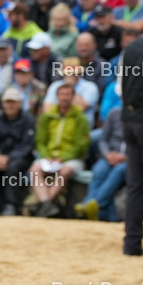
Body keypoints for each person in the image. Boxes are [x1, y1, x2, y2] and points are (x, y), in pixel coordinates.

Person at [29, 82, 91, 218]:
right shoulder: (47, 116)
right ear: (57, 96)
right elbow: (40, 141)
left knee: (65, 170)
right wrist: (46, 156)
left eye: (68, 95)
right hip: (48, 157)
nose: (65, 98)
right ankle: (47, 205)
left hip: (71, 159)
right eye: (62, 95)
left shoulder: (80, 118)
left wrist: (63, 158)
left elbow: (81, 145)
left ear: (73, 97)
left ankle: (43, 205)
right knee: (34, 170)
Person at [0, 88, 36, 216]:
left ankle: (11, 205)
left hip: (20, 157)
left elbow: (27, 145)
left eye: (13, 102)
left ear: (19, 103)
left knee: (13, 167)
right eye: (8, 102)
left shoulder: (27, 120)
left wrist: (9, 158)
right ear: (3, 104)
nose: (10, 105)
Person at [75, 107, 127, 222]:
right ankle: (91, 206)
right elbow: (103, 140)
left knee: (118, 171)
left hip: (131, 160)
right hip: (110, 156)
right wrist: (107, 154)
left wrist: (126, 157)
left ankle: (94, 205)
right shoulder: (114, 113)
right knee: (99, 170)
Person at [119, 34, 143, 256]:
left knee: (136, 186)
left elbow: (120, 88)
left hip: (129, 120)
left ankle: (132, 244)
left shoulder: (132, 47)